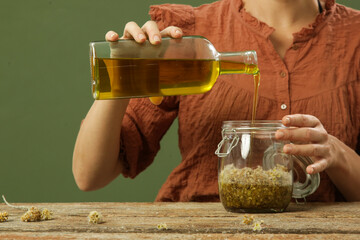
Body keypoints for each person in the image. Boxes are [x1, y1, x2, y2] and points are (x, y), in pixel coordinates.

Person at [73, 0, 360, 202]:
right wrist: (125, 70)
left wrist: (334, 153)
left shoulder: (354, 37)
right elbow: (90, 175)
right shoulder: (186, 33)